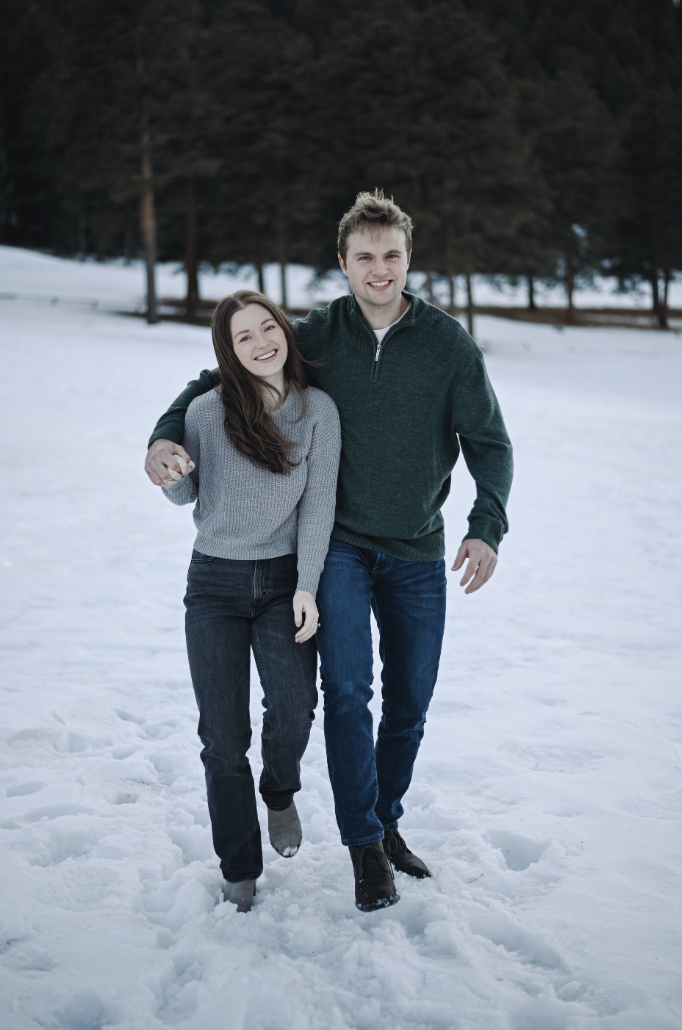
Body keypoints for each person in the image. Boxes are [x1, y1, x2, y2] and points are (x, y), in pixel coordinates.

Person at [146, 190, 513, 913]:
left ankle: (388, 820)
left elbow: (490, 442)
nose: (380, 269)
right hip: (338, 545)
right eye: (365, 257)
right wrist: (164, 435)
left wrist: (486, 524)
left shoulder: (448, 345)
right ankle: (364, 847)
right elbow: (220, 373)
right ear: (342, 263)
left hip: (417, 549)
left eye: (393, 256)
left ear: (409, 259)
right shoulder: (319, 334)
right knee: (347, 694)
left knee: (409, 703)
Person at [157, 290, 341, 913]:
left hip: (283, 580)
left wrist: (308, 586)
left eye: (269, 328)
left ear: (284, 331)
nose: (262, 342)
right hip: (214, 584)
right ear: (227, 352)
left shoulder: (319, 411)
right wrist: (172, 470)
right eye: (244, 337)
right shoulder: (208, 412)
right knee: (222, 735)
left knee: (294, 706)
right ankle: (239, 863)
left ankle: (281, 790)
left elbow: (318, 507)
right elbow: (184, 498)